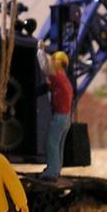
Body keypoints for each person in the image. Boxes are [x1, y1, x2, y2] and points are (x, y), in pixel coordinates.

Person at [37, 42, 74, 180]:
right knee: (59, 146)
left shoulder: (57, 76)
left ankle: (51, 173)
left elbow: (45, 66)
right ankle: (56, 170)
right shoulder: (65, 80)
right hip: (66, 118)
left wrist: (40, 50)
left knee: (51, 144)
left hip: (59, 117)